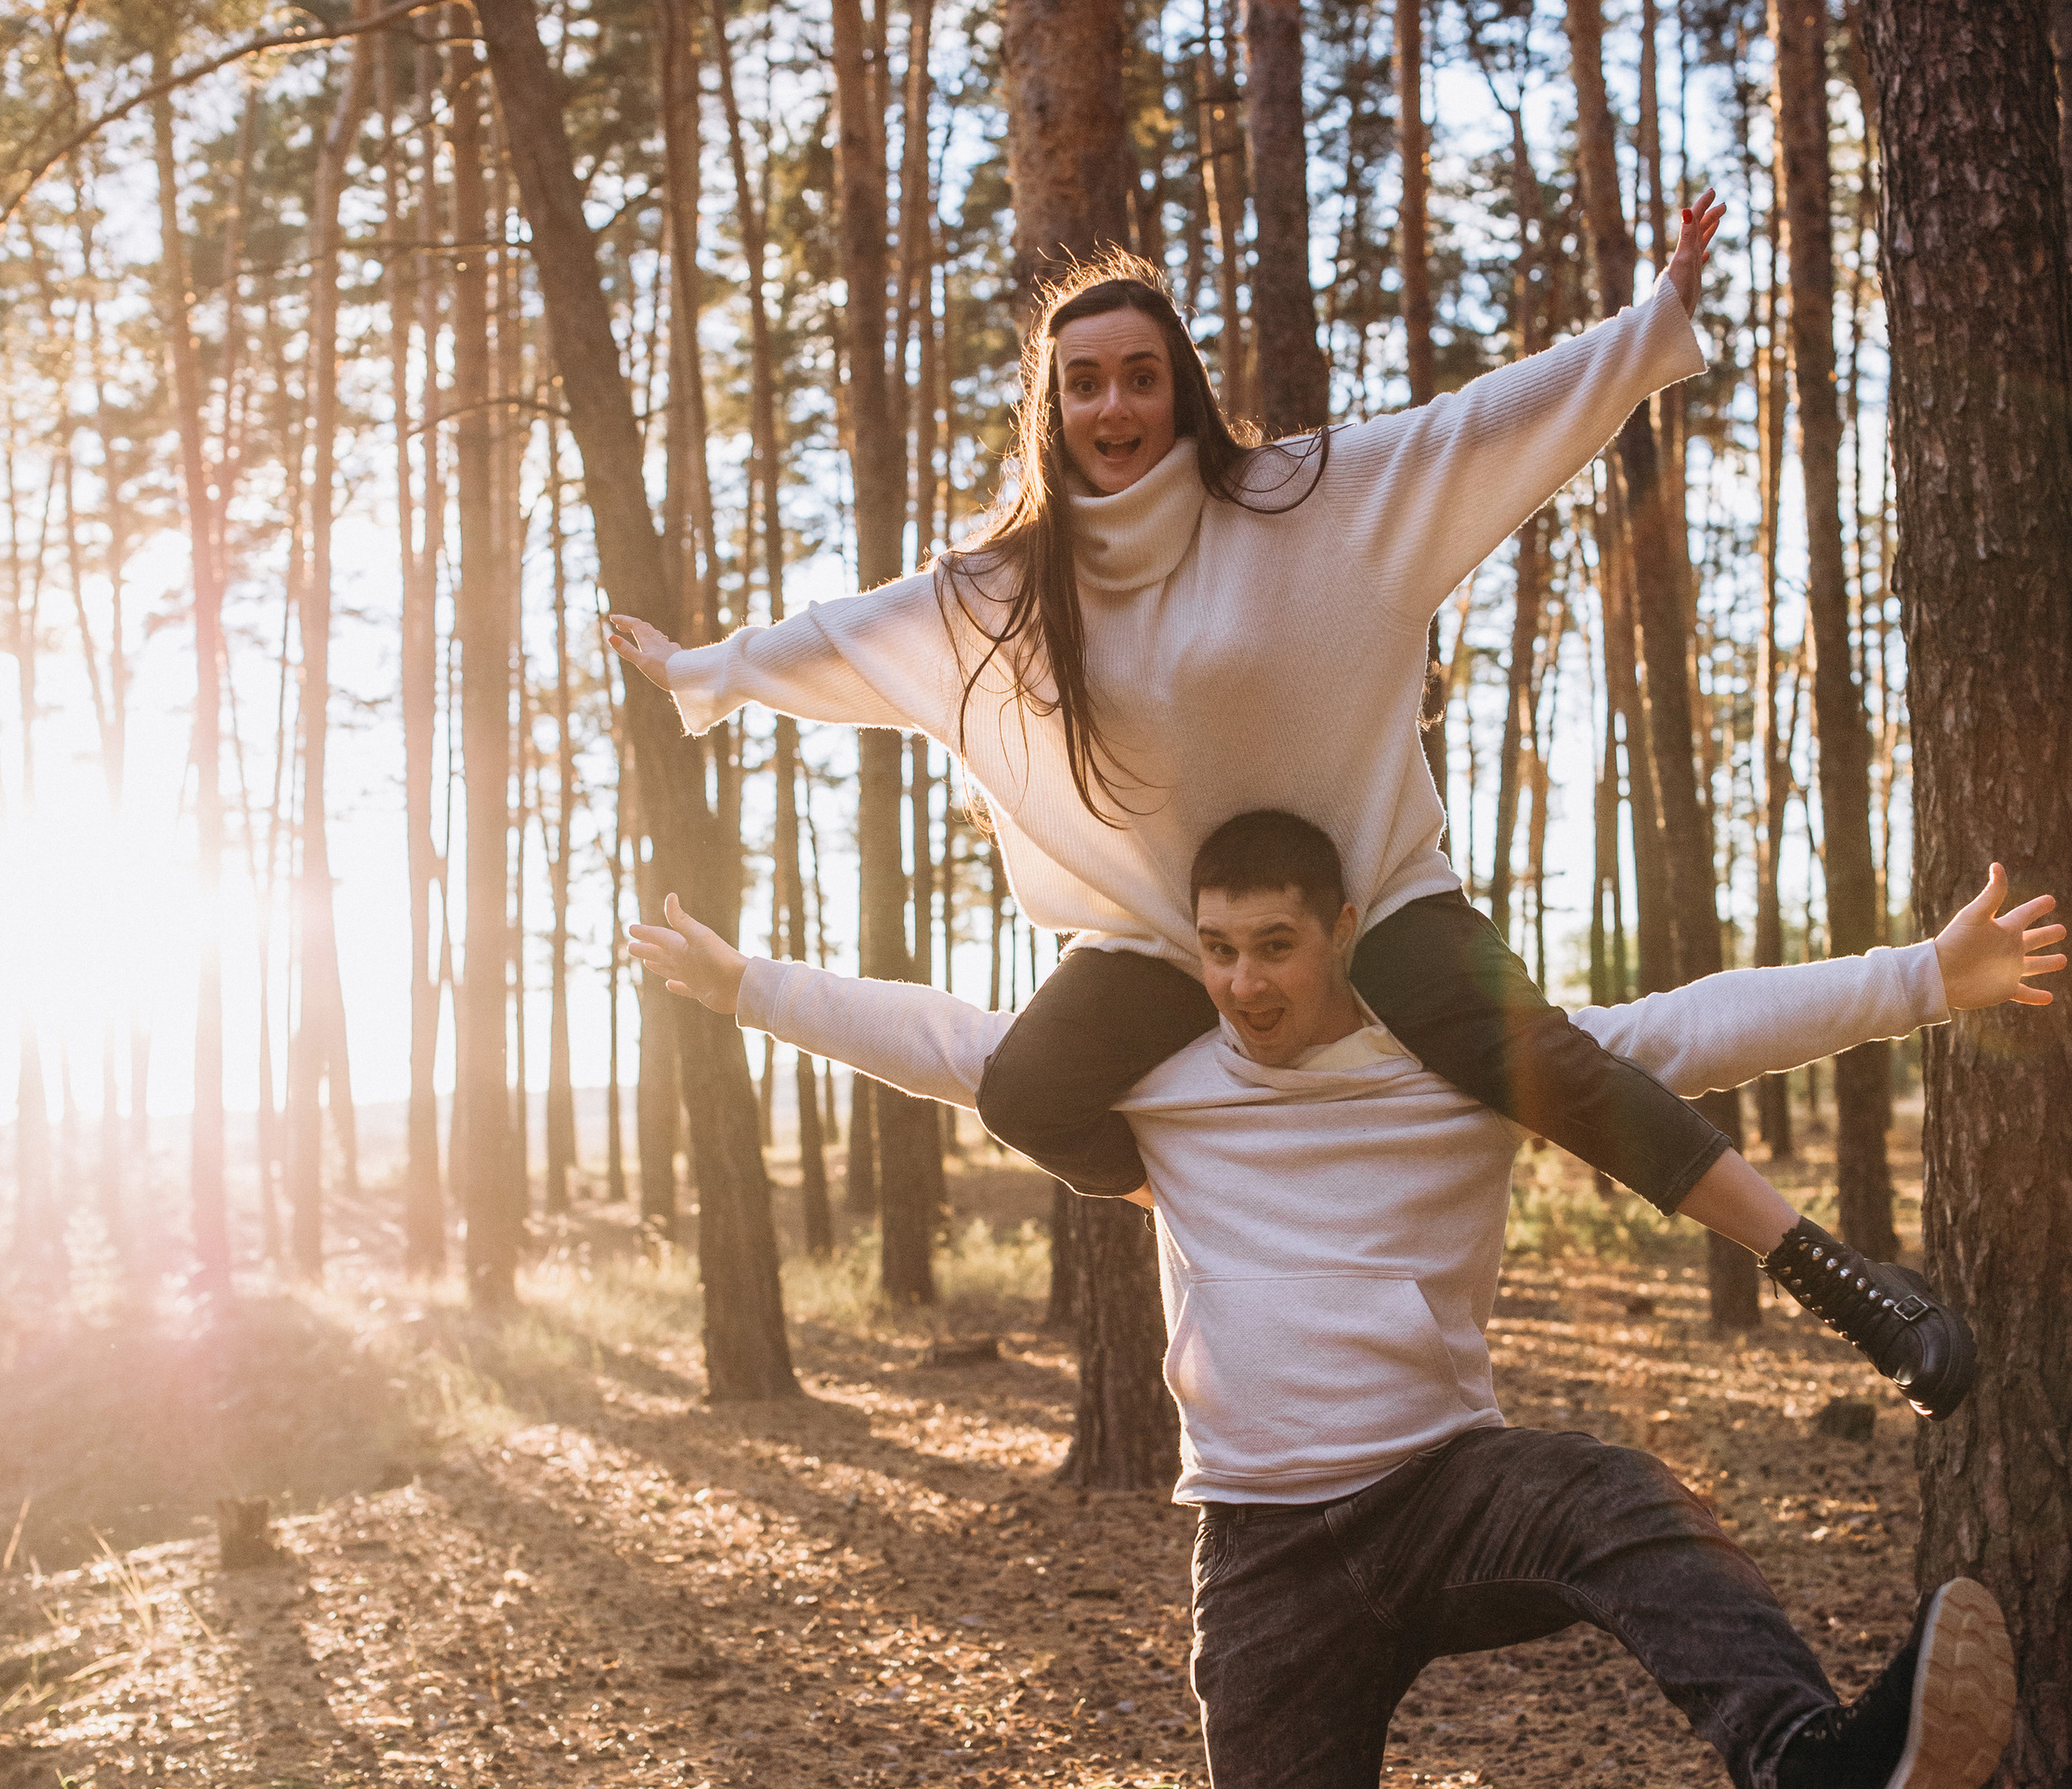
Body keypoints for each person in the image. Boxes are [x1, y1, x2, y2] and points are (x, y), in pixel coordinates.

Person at [627, 818, 2055, 1789]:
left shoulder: (1451, 1055)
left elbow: (1684, 1032)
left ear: (1349, 927)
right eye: (1217, 947)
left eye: (1276, 947)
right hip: (1260, 1562)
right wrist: (741, 983)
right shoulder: (1165, 1080)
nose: (1243, 983)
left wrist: (1929, 977)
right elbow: (943, 1042)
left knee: (1626, 1501)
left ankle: (1821, 1780)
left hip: (1444, 1494)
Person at [608, 228, 1973, 1422]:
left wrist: (1641, 331)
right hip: (1169, 937)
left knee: (1553, 1068)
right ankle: (1200, 1191)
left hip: (1373, 897)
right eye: (1083, 383)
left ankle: (1836, 1280)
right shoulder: (1012, 591)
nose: (1114, 405)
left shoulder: (1306, 502)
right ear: (1052, 406)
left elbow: (1479, 427)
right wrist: (711, 672)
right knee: (1029, 1089)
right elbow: (862, 636)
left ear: (1181, 389)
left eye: (1141, 376)